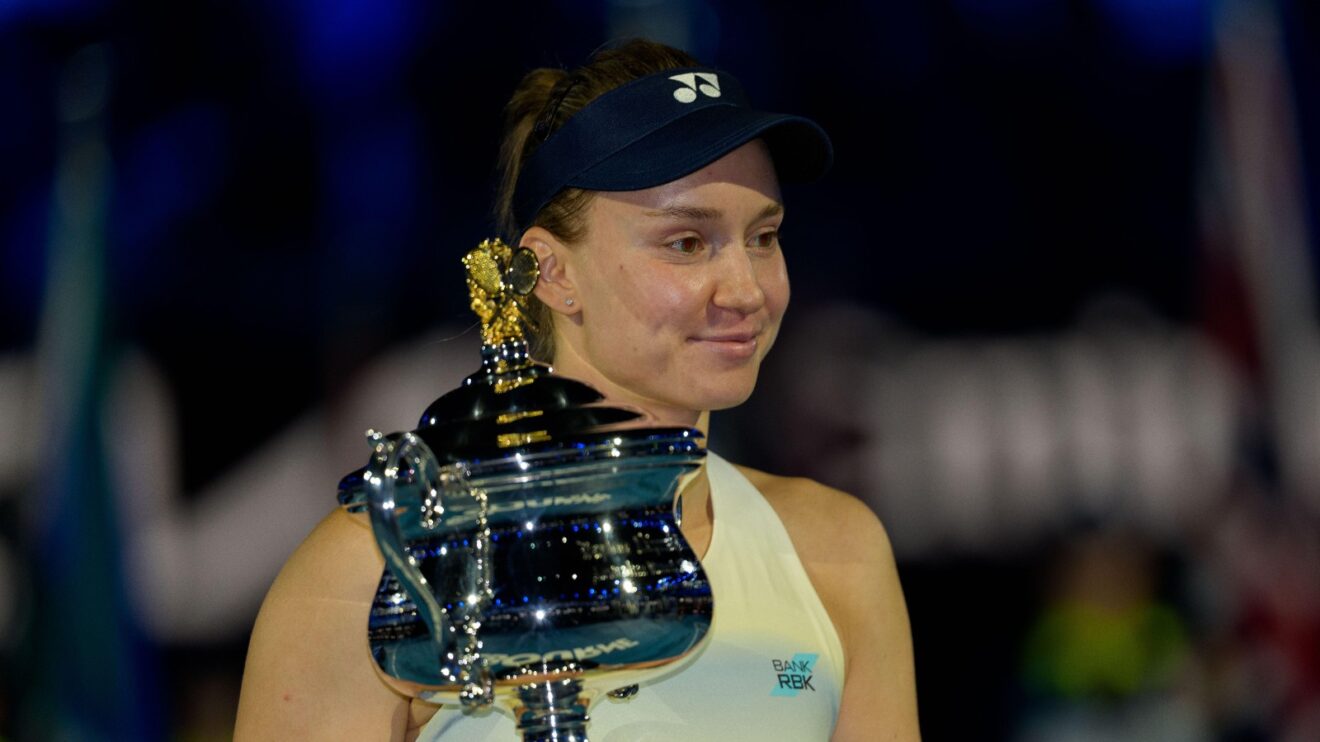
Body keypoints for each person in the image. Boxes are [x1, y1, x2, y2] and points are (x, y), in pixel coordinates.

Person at [235, 39, 919, 741]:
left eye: (764, 237)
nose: (747, 290)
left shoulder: (834, 555)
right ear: (552, 272)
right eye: (686, 242)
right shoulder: (383, 572)